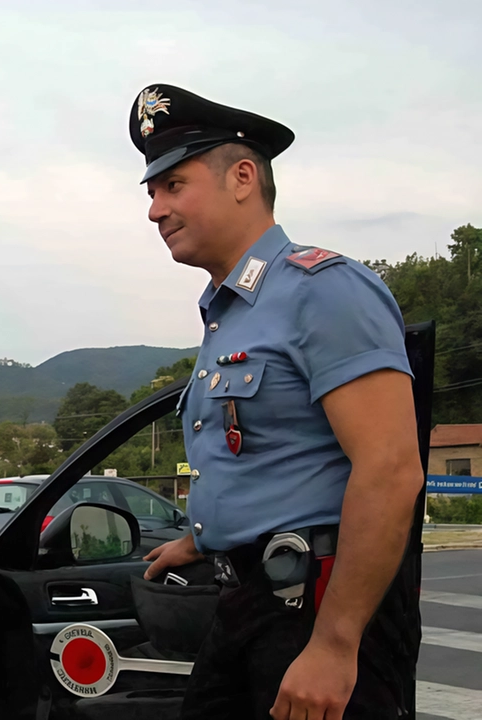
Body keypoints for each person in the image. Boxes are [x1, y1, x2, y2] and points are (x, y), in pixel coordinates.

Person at [131, 84, 424, 719]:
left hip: (318, 609)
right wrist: (207, 537)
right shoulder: (230, 313)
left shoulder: (323, 290)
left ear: (242, 177)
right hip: (246, 604)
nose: (155, 209)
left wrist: (335, 645)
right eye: (151, 193)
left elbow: (391, 469)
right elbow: (271, 460)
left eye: (173, 185)